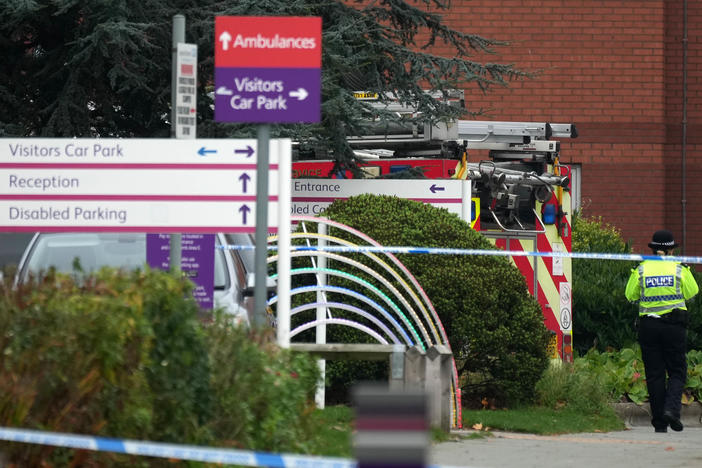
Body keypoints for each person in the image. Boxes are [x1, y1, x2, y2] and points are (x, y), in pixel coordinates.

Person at [625, 230, 699, 433]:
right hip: (674, 327)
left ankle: (659, 423)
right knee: (677, 371)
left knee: (655, 374)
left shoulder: (641, 269)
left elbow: (629, 295)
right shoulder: (679, 268)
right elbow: (693, 291)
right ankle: (672, 410)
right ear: (671, 249)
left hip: (649, 327)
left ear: (653, 248)